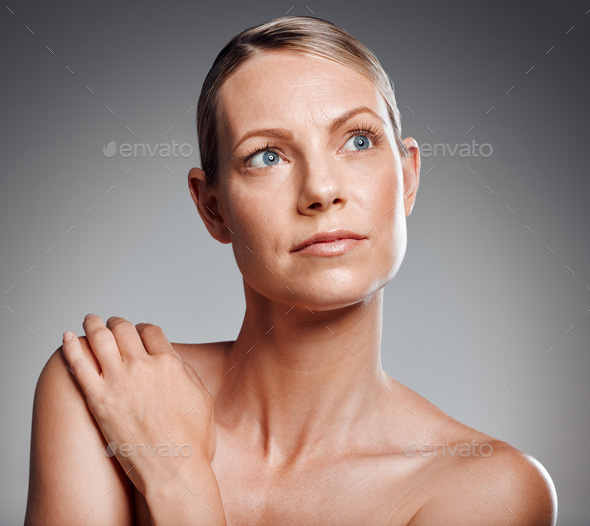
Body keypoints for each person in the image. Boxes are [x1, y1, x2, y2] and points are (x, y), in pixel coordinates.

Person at [25, 15, 557, 525]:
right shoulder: (103, 389)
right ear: (213, 207)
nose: (322, 191)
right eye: (267, 156)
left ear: (408, 177)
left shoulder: (489, 490)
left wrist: (176, 478)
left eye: (358, 140)